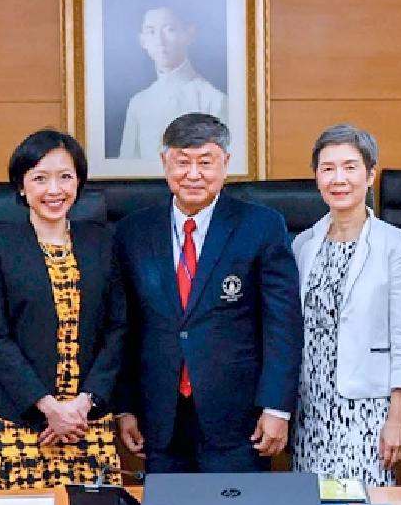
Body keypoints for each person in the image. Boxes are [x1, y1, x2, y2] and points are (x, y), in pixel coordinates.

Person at [113, 112, 302, 473]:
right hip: (159, 416)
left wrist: (277, 407)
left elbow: (283, 325)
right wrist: (125, 405)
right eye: (182, 162)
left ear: (226, 164)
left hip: (239, 419)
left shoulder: (261, 225)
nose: (194, 174)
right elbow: (126, 326)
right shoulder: (132, 232)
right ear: (164, 163)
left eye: (205, 161)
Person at [0, 130, 127, 488]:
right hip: (22, 421)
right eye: (40, 178)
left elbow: (118, 329)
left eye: (65, 177)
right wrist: (48, 407)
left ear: (79, 183)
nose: (53, 190)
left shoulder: (102, 242)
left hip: (86, 422)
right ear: (21, 187)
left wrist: (81, 406)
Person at [288, 124, 401, 487]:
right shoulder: (303, 244)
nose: (339, 178)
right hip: (310, 407)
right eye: (328, 168)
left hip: (368, 410)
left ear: (371, 174)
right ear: (316, 176)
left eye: (350, 167)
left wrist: (397, 416)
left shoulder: (399, 245)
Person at [118, 4, 228, 160]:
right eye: (151, 32)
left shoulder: (214, 101)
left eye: (169, 29)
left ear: (189, 34)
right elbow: (126, 166)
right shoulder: (138, 103)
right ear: (142, 40)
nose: (160, 41)